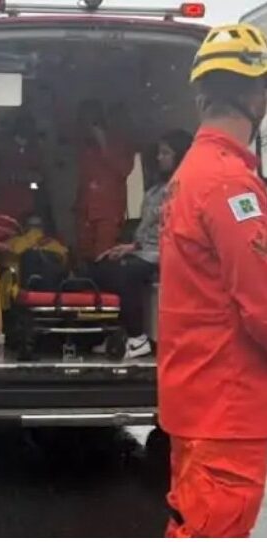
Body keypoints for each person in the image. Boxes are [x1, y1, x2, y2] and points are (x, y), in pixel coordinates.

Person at [158, 23, 267, 538]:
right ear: (256, 96)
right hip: (228, 407)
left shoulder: (193, 172)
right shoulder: (227, 182)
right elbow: (262, 306)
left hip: (200, 399)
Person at [91, 129, 193, 359]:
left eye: (165, 153)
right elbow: (148, 229)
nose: (159, 157)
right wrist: (130, 247)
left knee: (126, 273)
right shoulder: (156, 190)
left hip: (169, 252)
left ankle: (138, 338)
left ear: (180, 154)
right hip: (147, 250)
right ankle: (118, 333)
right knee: (101, 267)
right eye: (159, 153)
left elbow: (176, 229)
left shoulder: (184, 188)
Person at [74, 100, 136, 262]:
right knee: (84, 255)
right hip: (85, 209)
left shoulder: (119, 141)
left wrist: (103, 142)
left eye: (93, 119)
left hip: (108, 211)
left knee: (104, 255)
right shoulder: (83, 145)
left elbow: (125, 169)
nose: (88, 124)